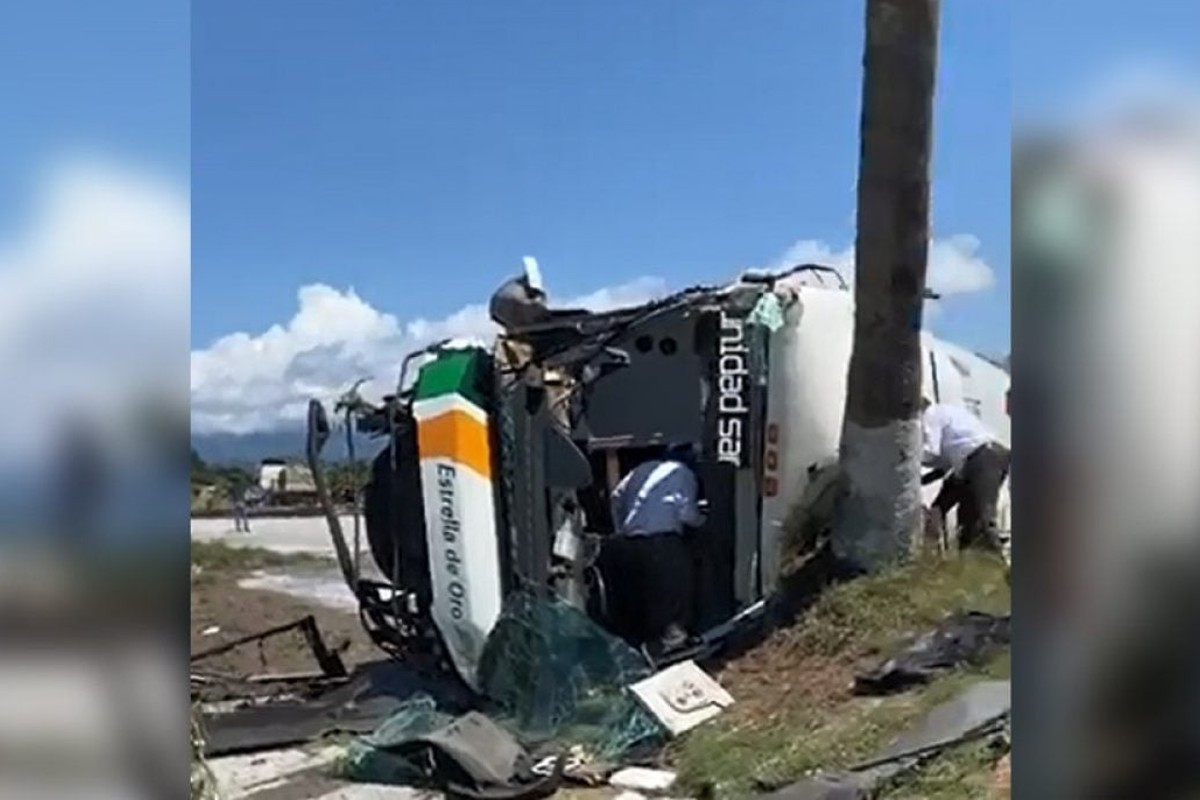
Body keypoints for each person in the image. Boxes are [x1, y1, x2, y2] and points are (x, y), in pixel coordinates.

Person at [601, 442, 707, 653]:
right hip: (662, 540)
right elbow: (686, 513)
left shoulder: (643, 468)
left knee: (642, 592)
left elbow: (615, 496)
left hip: (629, 540)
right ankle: (673, 640)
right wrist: (703, 520)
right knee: (677, 585)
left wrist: (621, 526)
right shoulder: (683, 472)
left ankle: (640, 644)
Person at [920, 397, 1011, 552]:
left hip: (982, 458)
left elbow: (930, 451)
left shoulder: (930, 414)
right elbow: (943, 465)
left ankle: (1000, 566)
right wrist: (921, 480)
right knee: (960, 519)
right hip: (976, 461)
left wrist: (905, 461)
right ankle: (965, 560)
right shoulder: (948, 413)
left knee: (982, 519)